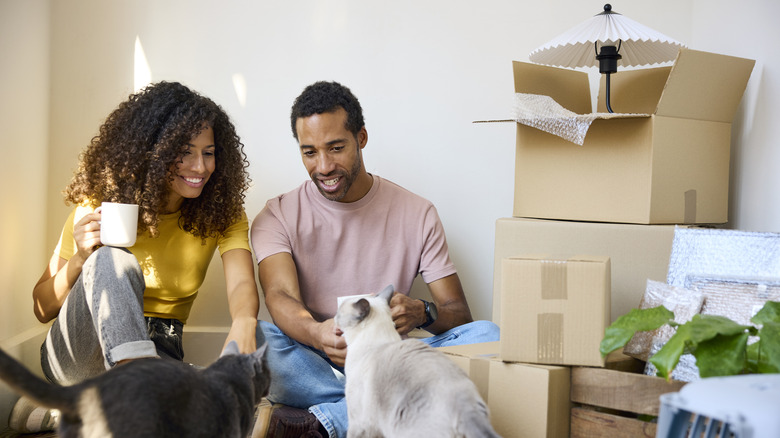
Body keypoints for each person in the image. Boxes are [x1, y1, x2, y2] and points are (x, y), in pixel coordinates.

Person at [250, 81, 500, 438]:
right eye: (310, 152)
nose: (323, 166)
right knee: (260, 341)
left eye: (336, 148)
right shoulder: (277, 215)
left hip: (394, 361)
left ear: (361, 138)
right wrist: (318, 334)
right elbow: (279, 296)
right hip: (323, 360)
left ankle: (326, 421)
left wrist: (422, 312)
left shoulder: (418, 212)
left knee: (489, 336)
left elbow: (459, 313)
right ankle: (406, 408)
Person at [10, 81, 259, 432]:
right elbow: (41, 308)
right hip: (81, 353)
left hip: (160, 348)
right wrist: (81, 258)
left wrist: (245, 323)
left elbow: (242, 284)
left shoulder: (222, 213)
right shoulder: (97, 206)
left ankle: (78, 410)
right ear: (151, 151)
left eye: (208, 152)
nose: (199, 166)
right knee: (113, 259)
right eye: (184, 151)